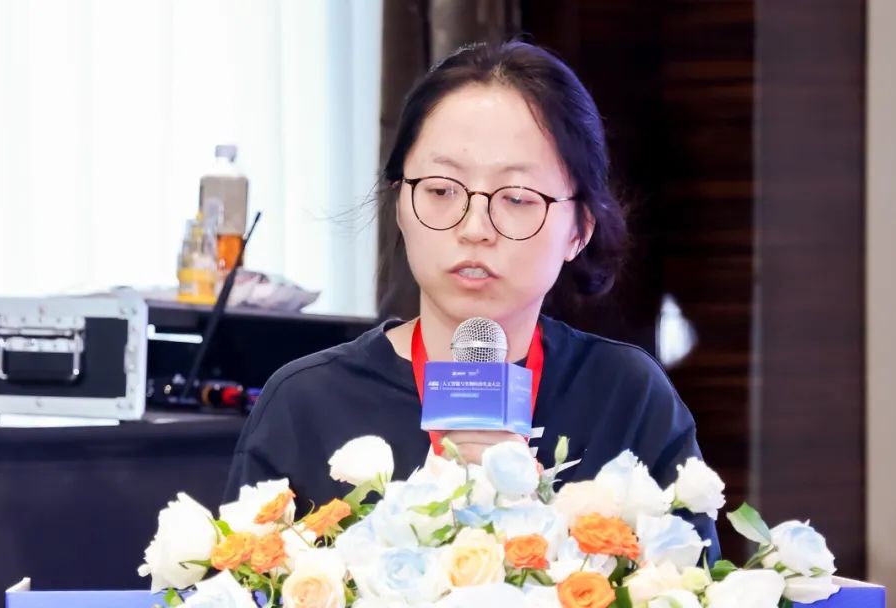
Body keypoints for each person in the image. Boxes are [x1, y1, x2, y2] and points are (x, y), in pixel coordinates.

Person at [224, 40, 719, 557]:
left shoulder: (627, 396)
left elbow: (692, 583)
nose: (475, 227)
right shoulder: (306, 401)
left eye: (517, 198)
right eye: (442, 191)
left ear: (580, 230)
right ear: (400, 204)